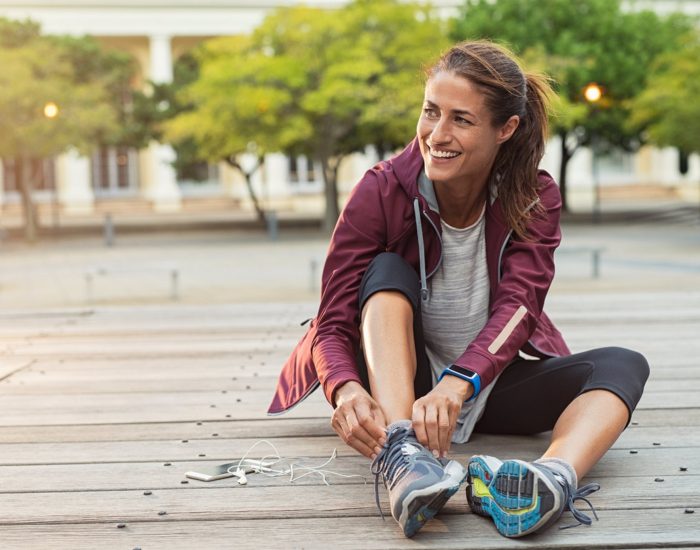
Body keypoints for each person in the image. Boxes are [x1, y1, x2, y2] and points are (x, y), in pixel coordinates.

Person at [268, 40, 649, 539]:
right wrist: (345, 388)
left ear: (505, 129)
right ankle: (404, 457)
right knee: (384, 271)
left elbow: (520, 307)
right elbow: (333, 320)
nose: (436, 134)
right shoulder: (380, 190)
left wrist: (460, 382)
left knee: (623, 364)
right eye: (430, 112)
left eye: (461, 120)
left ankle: (551, 479)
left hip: (483, 383)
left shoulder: (534, 196)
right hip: (401, 388)